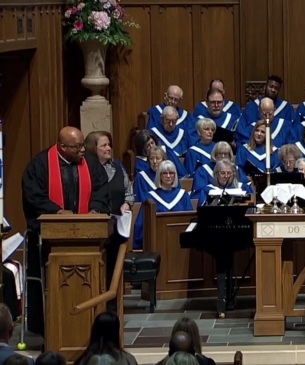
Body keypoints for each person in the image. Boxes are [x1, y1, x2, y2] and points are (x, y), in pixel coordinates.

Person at [21, 126, 110, 335]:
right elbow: (33, 196)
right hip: (49, 244)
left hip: (88, 239)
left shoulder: (91, 163)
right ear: (61, 146)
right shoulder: (40, 165)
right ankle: (50, 329)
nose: (82, 150)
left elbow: (102, 188)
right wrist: (57, 212)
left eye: (82, 144)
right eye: (76, 146)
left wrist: (95, 209)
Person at [85, 130, 134, 311]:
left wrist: (127, 205)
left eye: (109, 144)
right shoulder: (86, 171)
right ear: (93, 148)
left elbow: (129, 193)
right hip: (94, 230)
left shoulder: (118, 168)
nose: (108, 148)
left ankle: (113, 308)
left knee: (113, 270)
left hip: (116, 230)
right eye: (103, 145)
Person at [133, 160, 193, 249]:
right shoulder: (150, 198)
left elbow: (190, 221)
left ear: (175, 175)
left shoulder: (183, 196)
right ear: (159, 175)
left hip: (180, 245)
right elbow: (141, 224)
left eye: (171, 173)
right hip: (157, 243)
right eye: (164, 173)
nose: (168, 176)